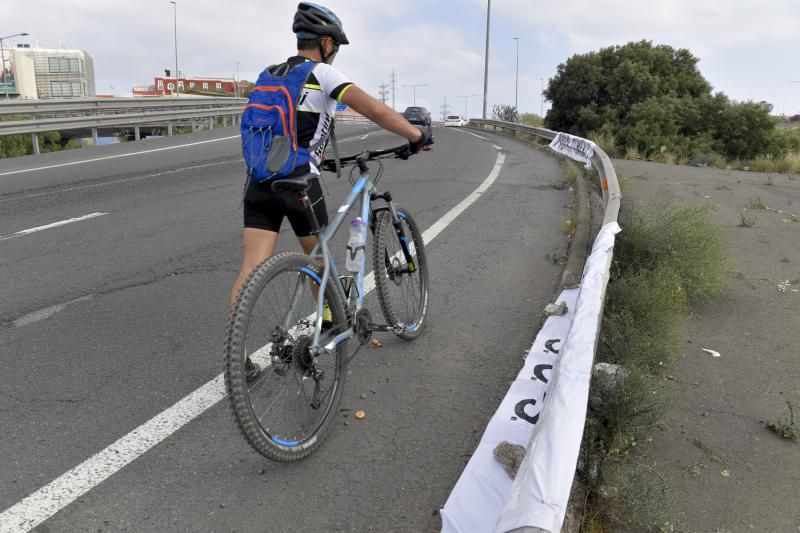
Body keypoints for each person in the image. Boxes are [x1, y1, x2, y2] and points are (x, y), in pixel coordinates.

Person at [230, 2, 433, 380]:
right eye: (335, 45)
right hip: (298, 184)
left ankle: (237, 361)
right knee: (320, 263)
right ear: (325, 43)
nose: (335, 51)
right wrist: (415, 133)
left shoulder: (267, 75)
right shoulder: (322, 73)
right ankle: (329, 325)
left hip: (259, 182)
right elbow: (373, 109)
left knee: (250, 268)